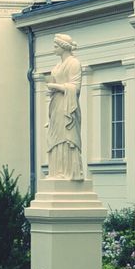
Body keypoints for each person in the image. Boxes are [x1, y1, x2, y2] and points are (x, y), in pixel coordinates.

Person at [43, 34, 84, 181]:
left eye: (56, 46)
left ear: (63, 47)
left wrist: (56, 86)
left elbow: (75, 88)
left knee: (66, 138)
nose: (54, 49)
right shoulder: (57, 66)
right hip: (56, 105)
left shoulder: (74, 63)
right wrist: (52, 87)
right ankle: (56, 171)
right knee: (54, 137)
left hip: (68, 106)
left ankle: (69, 172)